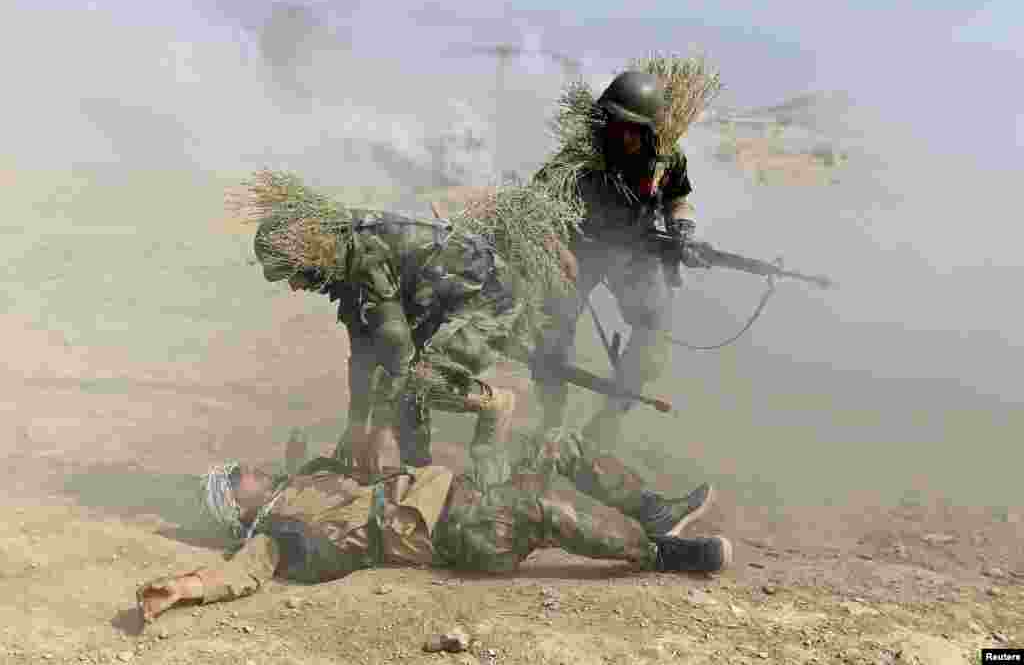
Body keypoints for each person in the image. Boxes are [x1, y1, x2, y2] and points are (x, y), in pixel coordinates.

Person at [136, 429, 728, 623]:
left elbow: (375, 455)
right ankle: (662, 554)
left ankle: (650, 510)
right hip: (455, 529)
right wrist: (185, 588)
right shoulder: (274, 534)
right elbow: (241, 573)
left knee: (557, 444)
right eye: (237, 477)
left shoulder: (307, 481)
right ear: (237, 508)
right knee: (539, 499)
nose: (250, 469)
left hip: (462, 491)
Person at [241, 171, 581, 483]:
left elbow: (398, 352)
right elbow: (362, 350)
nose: (296, 287)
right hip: (441, 305)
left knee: (414, 381)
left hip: (490, 297)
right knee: (397, 387)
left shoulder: (363, 256)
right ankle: (417, 471)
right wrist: (357, 422)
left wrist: (377, 433)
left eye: (292, 274)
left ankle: (495, 405)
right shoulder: (342, 254)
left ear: (307, 254)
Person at [531, 69, 711, 451]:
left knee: (654, 332)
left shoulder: (666, 158)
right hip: (577, 249)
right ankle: (550, 424)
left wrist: (684, 231)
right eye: (617, 124)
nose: (624, 135)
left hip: (634, 251)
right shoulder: (580, 157)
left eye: (634, 127)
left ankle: (605, 425)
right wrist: (557, 248)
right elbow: (536, 207)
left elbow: (679, 200)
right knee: (550, 330)